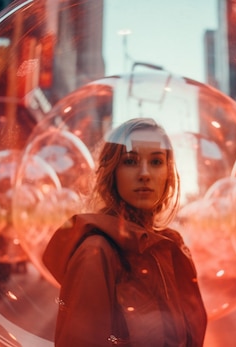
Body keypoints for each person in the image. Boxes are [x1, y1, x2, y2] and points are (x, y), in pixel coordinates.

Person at [43, 118, 207, 346]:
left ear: (169, 174)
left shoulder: (171, 250)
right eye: (130, 161)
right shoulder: (96, 252)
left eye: (157, 161)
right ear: (112, 172)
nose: (145, 174)